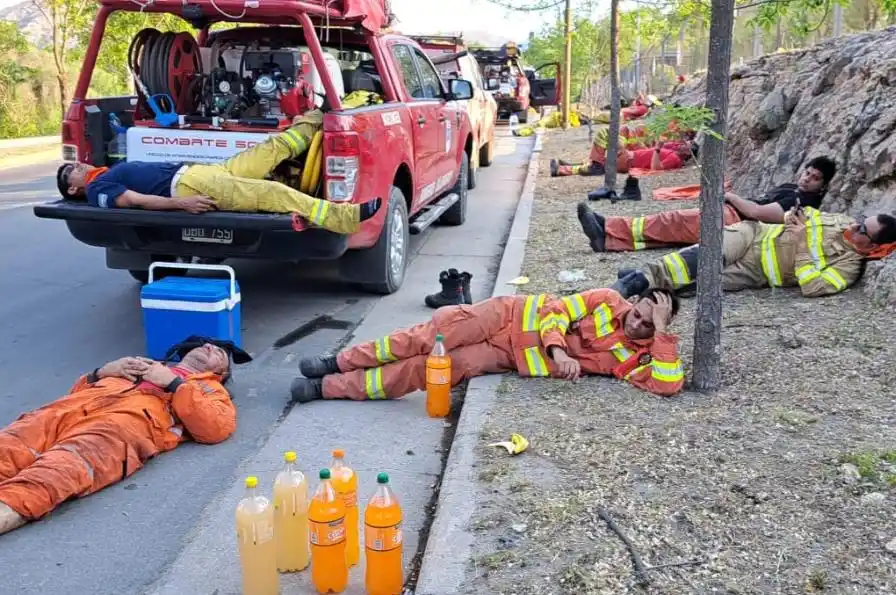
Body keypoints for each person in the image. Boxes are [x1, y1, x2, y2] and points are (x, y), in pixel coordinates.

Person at [0, 337, 251, 536]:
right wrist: (101, 373)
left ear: (222, 373)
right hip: (66, 411)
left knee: (60, 468)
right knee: (12, 442)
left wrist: (174, 384)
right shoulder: (142, 365)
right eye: (205, 344)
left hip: (117, 427)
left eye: (218, 352)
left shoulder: (209, 389)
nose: (208, 346)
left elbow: (217, 428)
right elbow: (77, 391)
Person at [290, 287, 686, 403]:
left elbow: (667, 385)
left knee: (431, 370)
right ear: (634, 302)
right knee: (424, 338)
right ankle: (337, 362)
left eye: (647, 325)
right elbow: (556, 313)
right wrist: (559, 351)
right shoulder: (605, 298)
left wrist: (664, 334)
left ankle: (328, 389)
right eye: (638, 313)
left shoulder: (641, 355)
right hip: (506, 314)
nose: (636, 324)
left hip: (506, 356)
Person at [55, 110, 382, 234]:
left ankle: (320, 114)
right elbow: (134, 201)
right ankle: (345, 218)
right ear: (72, 190)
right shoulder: (99, 189)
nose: (78, 164)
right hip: (187, 189)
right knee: (274, 194)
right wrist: (182, 205)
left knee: (273, 149)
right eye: (71, 170)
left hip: (204, 171)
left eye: (74, 162)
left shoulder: (104, 171)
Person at [611, 206, 896, 299]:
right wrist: (794, 217)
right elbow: (808, 213)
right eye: (861, 221)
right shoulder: (843, 220)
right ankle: (639, 278)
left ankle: (645, 281)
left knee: (694, 286)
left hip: (757, 270)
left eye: (862, 230)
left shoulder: (848, 267)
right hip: (755, 234)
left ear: (871, 246)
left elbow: (812, 287)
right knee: (706, 256)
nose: (855, 226)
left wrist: (802, 246)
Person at [576, 156, 837, 252]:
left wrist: (732, 197)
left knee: (674, 221)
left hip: (737, 221)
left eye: (814, 179)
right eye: (807, 173)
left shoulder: (804, 202)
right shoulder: (793, 189)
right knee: (672, 234)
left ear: (822, 186)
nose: (807, 179)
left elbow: (761, 212)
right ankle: (607, 239)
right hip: (735, 218)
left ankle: (609, 226)